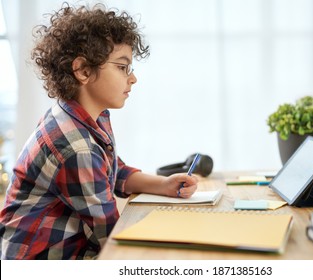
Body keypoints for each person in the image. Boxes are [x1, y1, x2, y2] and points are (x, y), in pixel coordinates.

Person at [0, 3, 198, 260]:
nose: (133, 78)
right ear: (83, 71)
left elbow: (110, 171)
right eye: (122, 67)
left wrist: (163, 185)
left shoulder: (83, 116)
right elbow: (111, 235)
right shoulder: (74, 146)